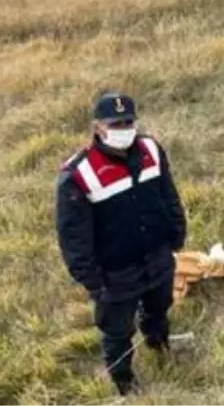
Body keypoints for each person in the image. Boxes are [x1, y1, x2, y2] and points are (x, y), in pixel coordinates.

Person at [55, 93, 187, 396]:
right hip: (115, 270)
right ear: (98, 127)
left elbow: (168, 194)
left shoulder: (151, 149)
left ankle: (159, 344)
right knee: (116, 332)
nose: (124, 128)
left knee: (159, 308)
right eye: (116, 124)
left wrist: (177, 233)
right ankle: (124, 382)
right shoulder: (78, 174)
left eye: (129, 121)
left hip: (157, 254)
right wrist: (91, 279)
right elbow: (73, 235)